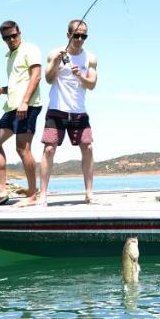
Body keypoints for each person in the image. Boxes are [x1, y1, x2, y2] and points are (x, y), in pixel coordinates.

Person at [40, 19, 98, 203]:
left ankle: (89, 193)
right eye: (77, 35)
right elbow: (48, 79)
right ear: (68, 35)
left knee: (87, 148)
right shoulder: (54, 53)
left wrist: (80, 75)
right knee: (49, 149)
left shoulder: (90, 58)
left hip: (79, 112)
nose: (80, 39)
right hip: (57, 109)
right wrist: (57, 61)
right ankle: (43, 195)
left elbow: (92, 85)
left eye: (84, 35)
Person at [0, 20, 43, 203]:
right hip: (12, 107)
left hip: (27, 106)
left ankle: (33, 194)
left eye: (14, 35)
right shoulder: (10, 56)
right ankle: (1, 189)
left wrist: (25, 102)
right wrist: (2, 90)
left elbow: (36, 76)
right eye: (6, 38)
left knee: (22, 148)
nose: (11, 39)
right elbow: (18, 82)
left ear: (20, 32)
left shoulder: (30, 49)